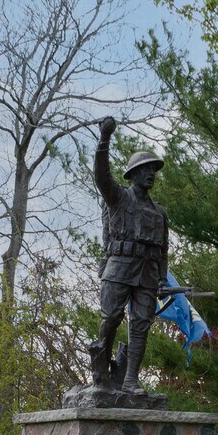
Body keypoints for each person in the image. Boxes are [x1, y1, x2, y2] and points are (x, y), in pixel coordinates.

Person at [81, 116, 169, 404]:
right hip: (119, 267)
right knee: (110, 319)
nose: (150, 173)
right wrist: (104, 140)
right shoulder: (118, 197)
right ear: (132, 174)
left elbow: (163, 249)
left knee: (141, 325)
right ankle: (100, 372)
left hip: (147, 273)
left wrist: (163, 279)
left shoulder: (160, 212)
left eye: (153, 169)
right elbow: (101, 177)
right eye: (145, 169)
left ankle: (130, 379)